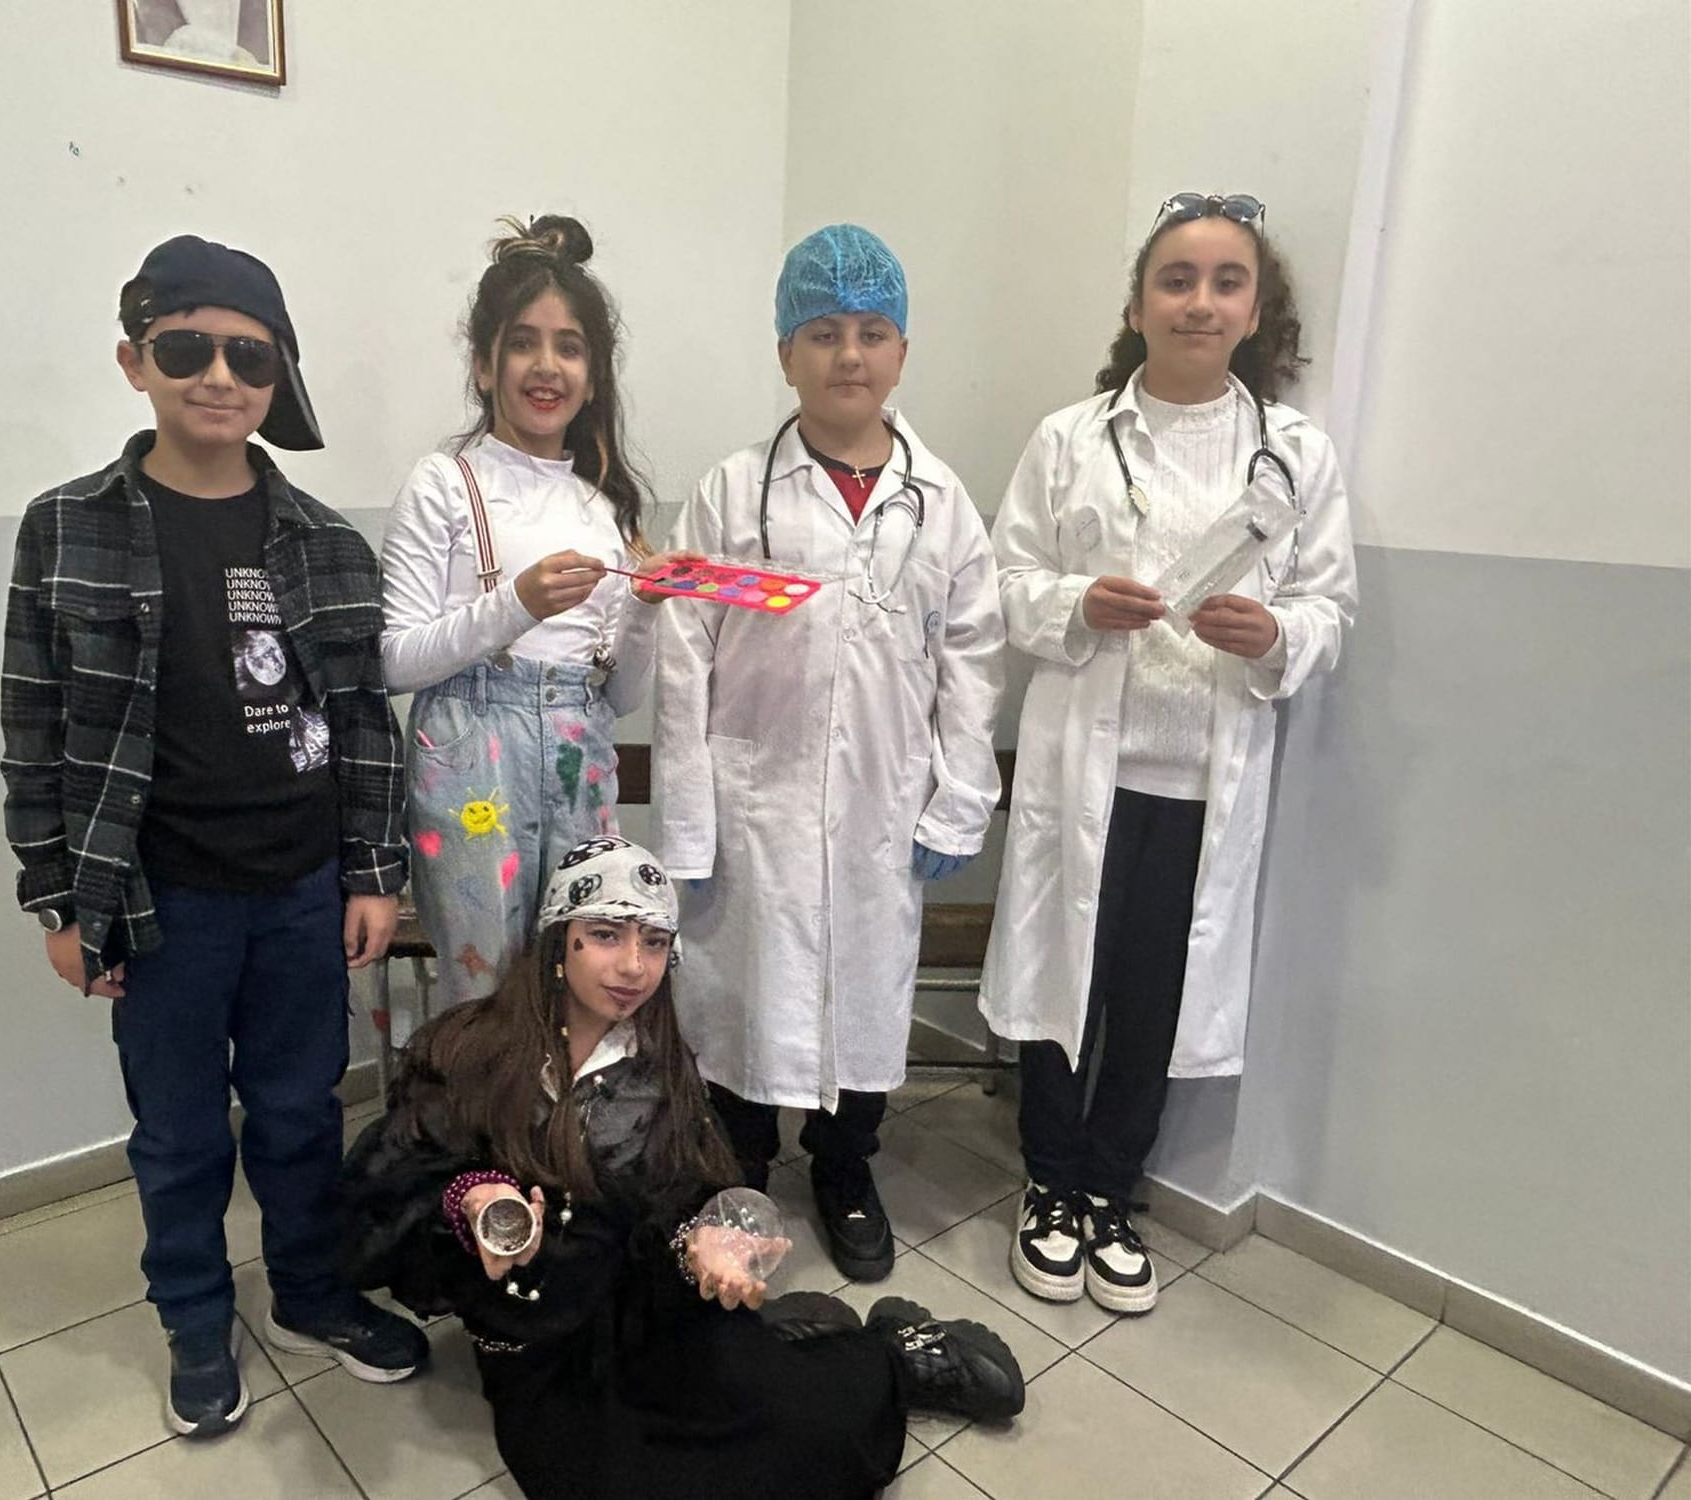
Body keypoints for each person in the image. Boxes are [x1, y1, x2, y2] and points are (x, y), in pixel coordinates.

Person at [0, 234, 428, 1437]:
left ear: (278, 374)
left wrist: (373, 873)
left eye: (249, 355)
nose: (218, 376)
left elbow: (362, 721)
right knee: (180, 1132)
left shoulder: (325, 542)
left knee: (299, 1114)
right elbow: (32, 726)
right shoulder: (67, 528)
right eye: (185, 348)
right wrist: (57, 901)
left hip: (301, 888)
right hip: (157, 902)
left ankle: (308, 1292)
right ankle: (193, 1315)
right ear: (134, 360)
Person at [340, 837, 1026, 1500]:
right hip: (540, 1348)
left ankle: (889, 1354)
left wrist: (701, 1242)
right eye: (605, 935)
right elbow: (386, 1193)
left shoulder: (661, 1069)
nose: (633, 966)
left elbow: (683, 1203)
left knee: (809, 1437)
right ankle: (796, 1335)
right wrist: (470, 1198)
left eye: (654, 942)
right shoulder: (469, 1049)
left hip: (650, 1316)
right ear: (558, 942)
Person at [981, 193, 1358, 1313]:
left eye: (1225, 282)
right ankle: (1048, 1184)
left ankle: (1111, 1190)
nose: (1200, 302)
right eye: (1176, 279)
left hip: (1202, 783)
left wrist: (1274, 633)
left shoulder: (1294, 455)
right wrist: (1078, 604)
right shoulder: (1069, 439)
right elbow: (1005, 584)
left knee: (1152, 994)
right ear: (1139, 303)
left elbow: (1330, 609)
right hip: (1082, 771)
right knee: (1063, 983)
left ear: (1255, 309)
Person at [652, 225, 1005, 1280]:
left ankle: (846, 1169)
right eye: (821, 332)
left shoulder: (943, 506)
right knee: (740, 1001)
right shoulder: (731, 493)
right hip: (752, 804)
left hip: (877, 810)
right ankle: (739, 1171)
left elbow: (972, 659)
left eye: (870, 332)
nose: (848, 354)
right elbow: (683, 659)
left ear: (901, 352)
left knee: (861, 998)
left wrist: (957, 800)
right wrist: (687, 823)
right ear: (784, 353)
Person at [380, 214, 684, 1021]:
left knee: (576, 981)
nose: (547, 366)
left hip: (579, 756)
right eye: (523, 343)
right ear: (484, 365)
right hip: (472, 753)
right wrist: (514, 605)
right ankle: (479, 1112)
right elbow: (395, 660)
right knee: (483, 989)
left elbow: (619, 698)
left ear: (594, 374)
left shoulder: (602, 508)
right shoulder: (446, 483)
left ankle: (563, 1109)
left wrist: (645, 613)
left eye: (570, 347)